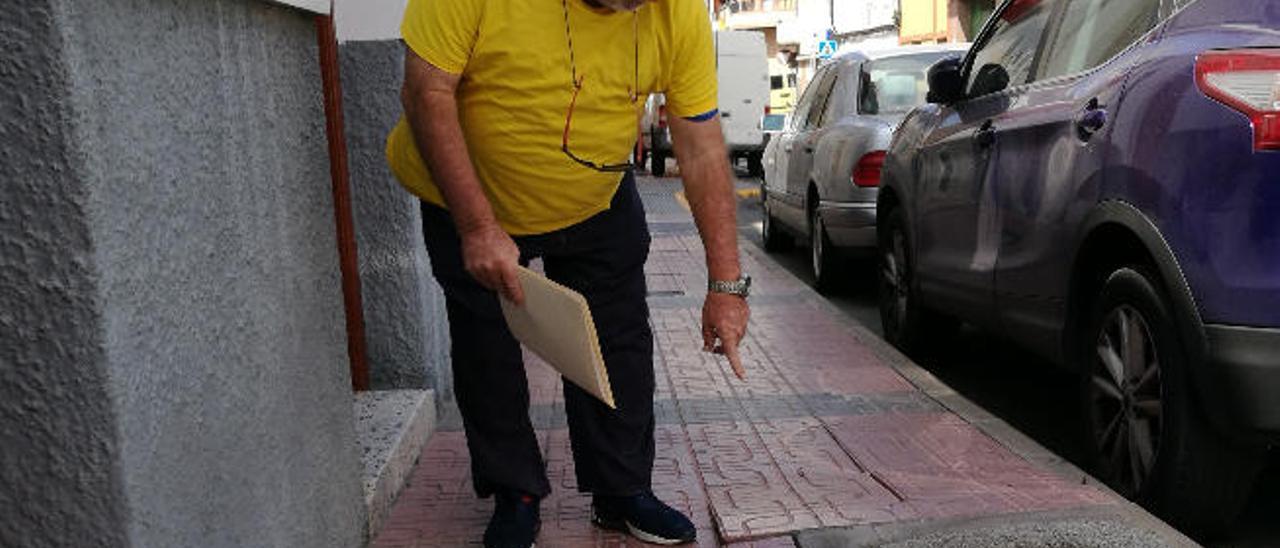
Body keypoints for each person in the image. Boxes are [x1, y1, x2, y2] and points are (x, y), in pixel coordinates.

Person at [386, 0, 750, 545]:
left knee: (618, 340)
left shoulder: (679, 13)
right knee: (487, 344)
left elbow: (699, 147)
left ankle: (621, 491)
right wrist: (478, 227)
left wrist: (725, 286)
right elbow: (425, 92)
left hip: (594, 196)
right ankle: (516, 493)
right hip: (465, 196)